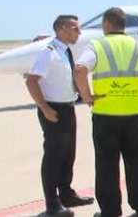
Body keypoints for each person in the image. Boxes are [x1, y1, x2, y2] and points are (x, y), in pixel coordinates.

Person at [74, 7, 138, 217]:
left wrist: (87, 96)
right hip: (135, 114)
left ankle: (110, 211)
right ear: (124, 25)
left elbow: (79, 70)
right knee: (137, 160)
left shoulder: (97, 45)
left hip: (106, 116)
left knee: (106, 164)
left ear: (106, 24)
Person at [25, 15, 94, 217]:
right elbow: (31, 81)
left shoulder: (65, 52)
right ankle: (52, 204)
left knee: (67, 155)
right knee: (54, 157)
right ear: (62, 29)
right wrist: (44, 108)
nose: (79, 32)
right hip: (53, 110)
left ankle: (66, 194)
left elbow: (65, 80)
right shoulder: (49, 53)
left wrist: (84, 96)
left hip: (67, 108)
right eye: (75, 28)